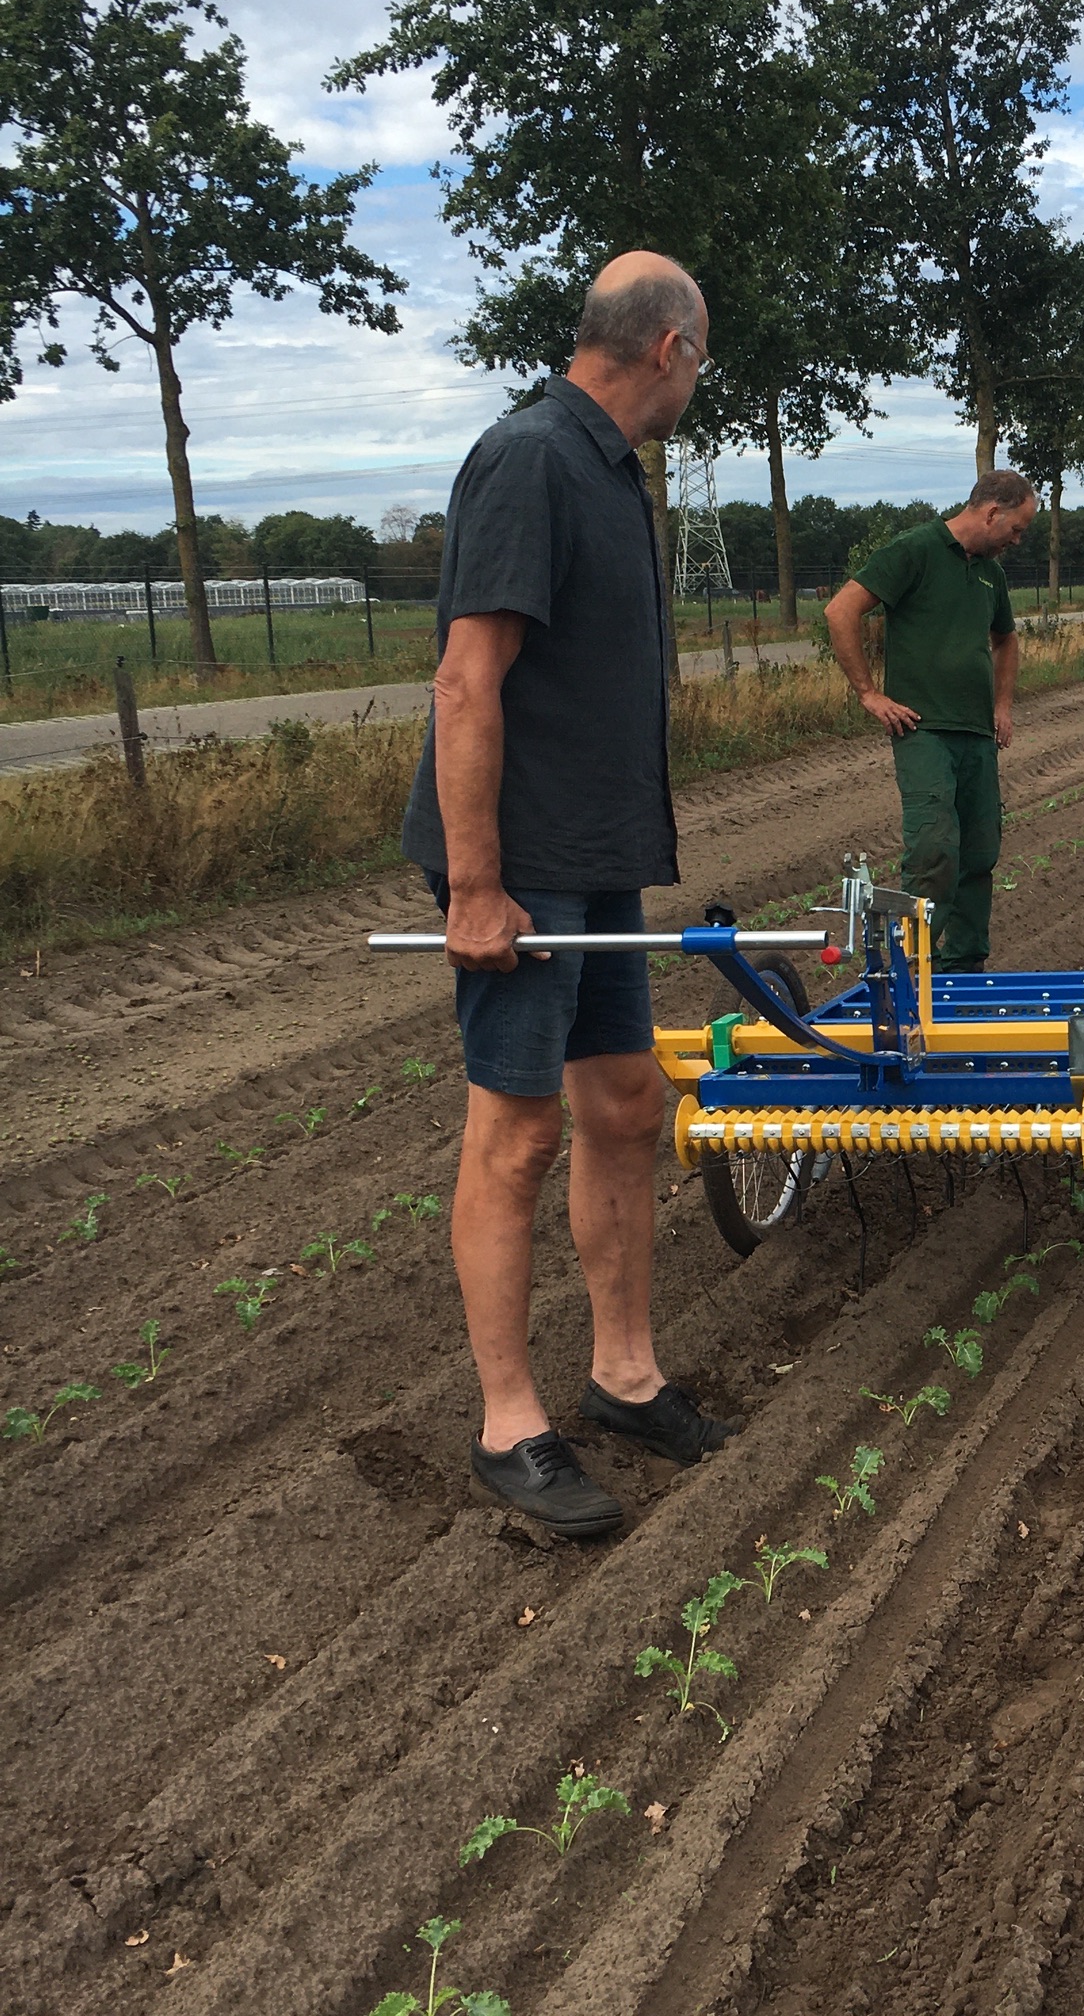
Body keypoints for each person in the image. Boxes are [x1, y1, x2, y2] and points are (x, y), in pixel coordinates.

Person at [399, 250, 732, 1536]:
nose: (698, 381)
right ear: (669, 349)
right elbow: (464, 679)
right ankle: (508, 1423)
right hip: (524, 868)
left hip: (593, 858)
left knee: (625, 1102)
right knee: (519, 1132)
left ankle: (624, 1374)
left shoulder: (606, 471)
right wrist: (476, 885)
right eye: (701, 360)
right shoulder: (533, 459)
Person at [823, 472, 1037, 971]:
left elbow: (1005, 640)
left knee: (980, 851)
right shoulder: (914, 550)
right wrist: (869, 694)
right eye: (1017, 529)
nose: (1017, 541)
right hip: (923, 730)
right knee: (935, 848)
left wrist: (1002, 707)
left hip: (977, 734)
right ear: (991, 513)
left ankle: (963, 970)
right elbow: (841, 611)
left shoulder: (991, 573)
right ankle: (912, 969)